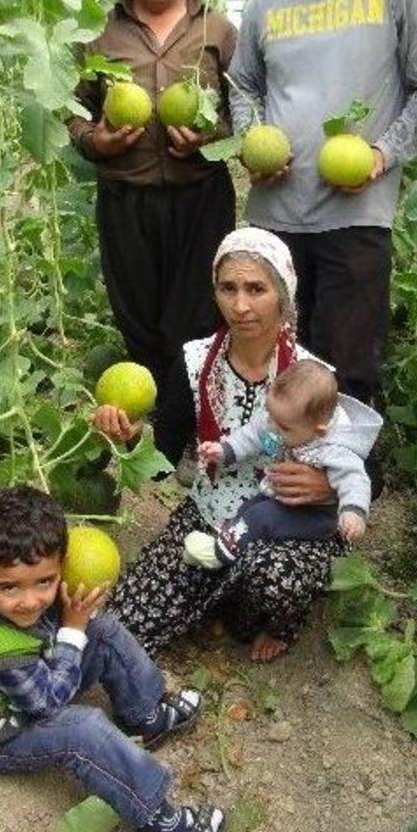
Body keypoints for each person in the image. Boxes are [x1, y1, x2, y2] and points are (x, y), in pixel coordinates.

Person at [227, 0, 417, 420]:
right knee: (274, 358)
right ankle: (277, 478)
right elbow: (242, 83)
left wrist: (381, 154)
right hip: (276, 214)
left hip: (357, 215)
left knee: (347, 364)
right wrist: (252, 143)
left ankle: (346, 489)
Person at [94, 226, 348, 664]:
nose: (241, 305)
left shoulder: (313, 375)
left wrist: (327, 488)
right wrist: (132, 438)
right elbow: (163, 460)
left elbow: (367, 469)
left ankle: (270, 619)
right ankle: (222, 594)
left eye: (256, 289)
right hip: (213, 512)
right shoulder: (195, 361)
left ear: (283, 294)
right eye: (228, 288)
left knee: (272, 584)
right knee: (125, 619)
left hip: (286, 521)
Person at [0, 485, 225, 832]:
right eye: (9, 587)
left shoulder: (6, 592)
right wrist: (72, 630)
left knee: (101, 629)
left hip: (32, 686)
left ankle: (146, 714)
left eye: (45, 581)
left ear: (61, 566)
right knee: (82, 729)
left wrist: (79, 620)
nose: (30, 600)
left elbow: (60, 625)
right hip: (0, 734)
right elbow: (49, 704)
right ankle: (158, 823)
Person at [67, 0, 237, 394]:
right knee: (136, 316)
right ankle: (154, 415)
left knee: (198, 316)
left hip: (200, 196)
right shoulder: (97, 35)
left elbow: (244, 108)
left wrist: (214, 136)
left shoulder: (218, 30)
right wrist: (95, 140)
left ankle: (184, 425)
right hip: (126, 197)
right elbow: (71, 111)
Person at [182, 358, 382, 570]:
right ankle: (230, 540)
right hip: (280, 497)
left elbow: (355, 478)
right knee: (251, 508)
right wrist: (225, 450)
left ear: (319, 430)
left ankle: (219, 556)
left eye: (283, 428)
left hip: (314, 515)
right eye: (271, 416)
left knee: (260, 517)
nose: (273, 428)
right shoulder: (283, 421)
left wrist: (353, 511)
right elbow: (254, 434)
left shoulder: (335, 449)